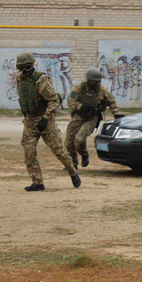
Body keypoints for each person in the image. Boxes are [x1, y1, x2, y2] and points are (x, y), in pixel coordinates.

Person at [15, 52, 81, 191]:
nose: (25, 71)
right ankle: (37, 182)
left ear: (33, 65)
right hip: (30, 121)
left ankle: (72, 172)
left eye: (28, 67)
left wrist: (46, 118)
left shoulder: (41, 79)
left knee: (58, 150)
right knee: (29, 151)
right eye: (22, 68)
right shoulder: (20, 79)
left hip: (45, 120)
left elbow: (53, 100)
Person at [65, 68, 121, 169]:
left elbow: (111, 101)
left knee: (79, 139)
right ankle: (73, 164)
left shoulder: (102, 90)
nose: (93, 83)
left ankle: (84, 154)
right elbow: (70, 101)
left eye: (96, 81)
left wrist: (116, 114)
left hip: (92, 118)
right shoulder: (79, 87)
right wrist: (81, 106)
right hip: (78, 116)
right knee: (68, 143)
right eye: (91, 80)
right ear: (87, 80)